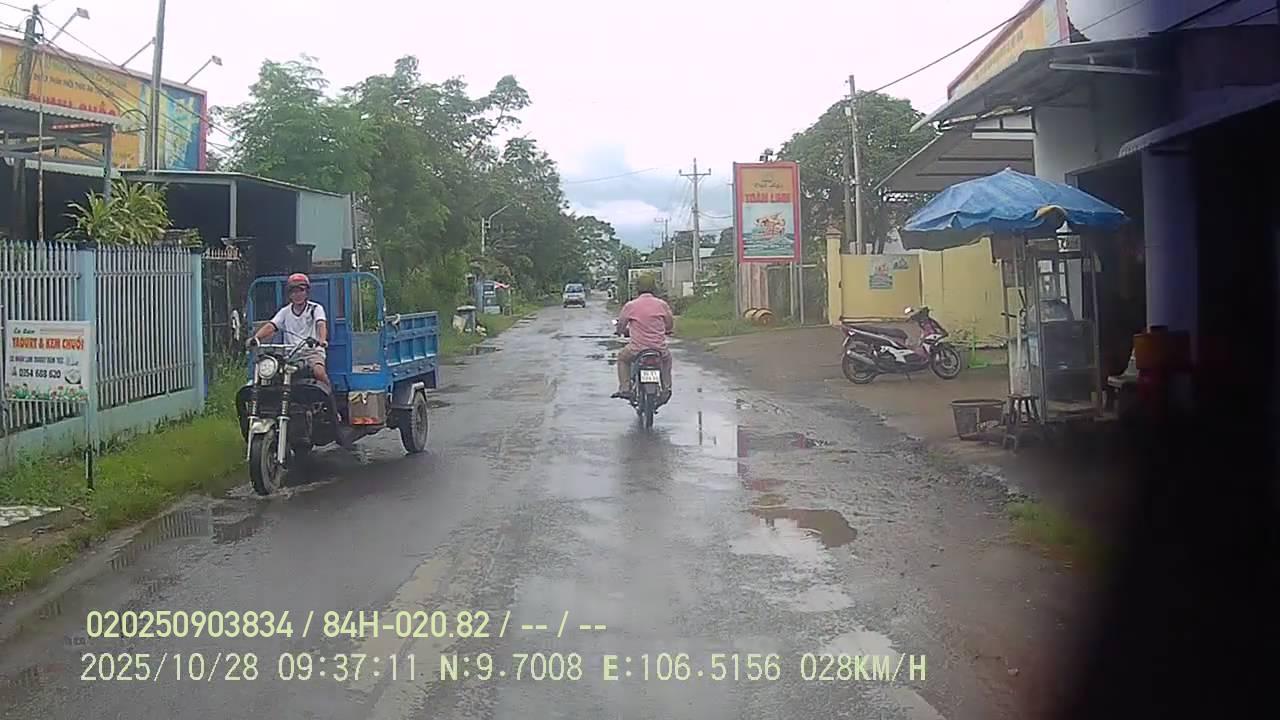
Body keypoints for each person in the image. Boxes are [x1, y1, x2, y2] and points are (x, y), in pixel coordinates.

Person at [246, 272, 330, 388]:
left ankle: (329, 394)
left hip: (311, 352)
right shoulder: (285, 312)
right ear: (289, 294)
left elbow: (321, 324)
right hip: (290, 354)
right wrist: (256, 338)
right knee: (271, 375)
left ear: (307, 292)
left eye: (301, 290)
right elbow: (272, 326)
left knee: (318, 372)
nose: (297, 294)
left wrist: (321, 340)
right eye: (293, 292)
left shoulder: (315, 308)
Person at [612, 274, 673, 401]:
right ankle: (666, 388)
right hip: (658, 349)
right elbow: (669, 324)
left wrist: (619, 331)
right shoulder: (662, 305)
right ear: (654, 288)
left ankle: (625, 388)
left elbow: (621, 324)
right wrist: (667, 330)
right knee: (666, 361)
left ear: (637, 288)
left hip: (637, 349)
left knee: (622, 359)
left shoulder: (631, 306)